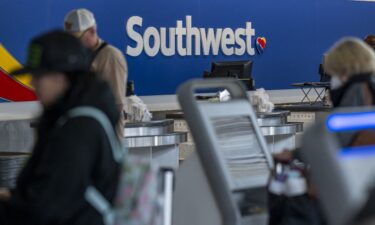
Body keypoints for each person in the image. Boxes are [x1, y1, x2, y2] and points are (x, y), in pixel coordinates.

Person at [0, 30, 120, 225]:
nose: (33, 82)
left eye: (39, 76)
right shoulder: (70, 119)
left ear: (63, 77)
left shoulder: (79, 129)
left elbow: (45, 208)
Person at [64, 8, 128, 136]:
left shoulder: (110, 56)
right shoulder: (79, 57)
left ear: (92, 31)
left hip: (105, 140)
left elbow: (116, 105)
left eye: (78, 38)